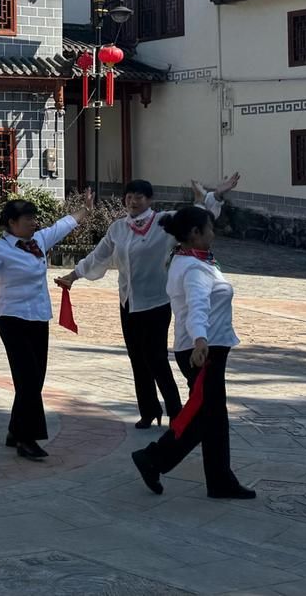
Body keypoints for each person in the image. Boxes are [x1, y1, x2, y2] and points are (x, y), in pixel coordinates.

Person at [59, 175, 239, 428]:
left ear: (150, 199)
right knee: (136, 357)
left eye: (139, 197)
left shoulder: (163, 222)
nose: (133, 201)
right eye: (129, 197)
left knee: (157, 359)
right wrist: (73, 275)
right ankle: (149, 409)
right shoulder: (118, 228)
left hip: (156, 302)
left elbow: (195, 219)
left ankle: (175, 411)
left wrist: (214, 195)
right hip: (128, 302)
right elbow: (99, 255)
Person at [0, 195, 94, 460]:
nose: (34, 223)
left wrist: (85, 210)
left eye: (35, 218)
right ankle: (28, 439)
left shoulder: (38, 241)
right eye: (28, 219)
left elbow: (63, 225)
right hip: (12, 318)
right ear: (12, 223)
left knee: (35, 378)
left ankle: (15, 430)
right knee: (27, 378)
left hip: (38, 317)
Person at [130, 206, 254, 499]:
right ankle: (154, 458)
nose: (214, 233)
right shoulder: (193, 268)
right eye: (209, 228)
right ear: (195, 233)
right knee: (206, 417)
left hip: (208, 347)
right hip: (203, 351)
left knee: (211, 416)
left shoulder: (192, 259)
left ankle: (218, 480)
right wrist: (200, 340)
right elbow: (197, 306)